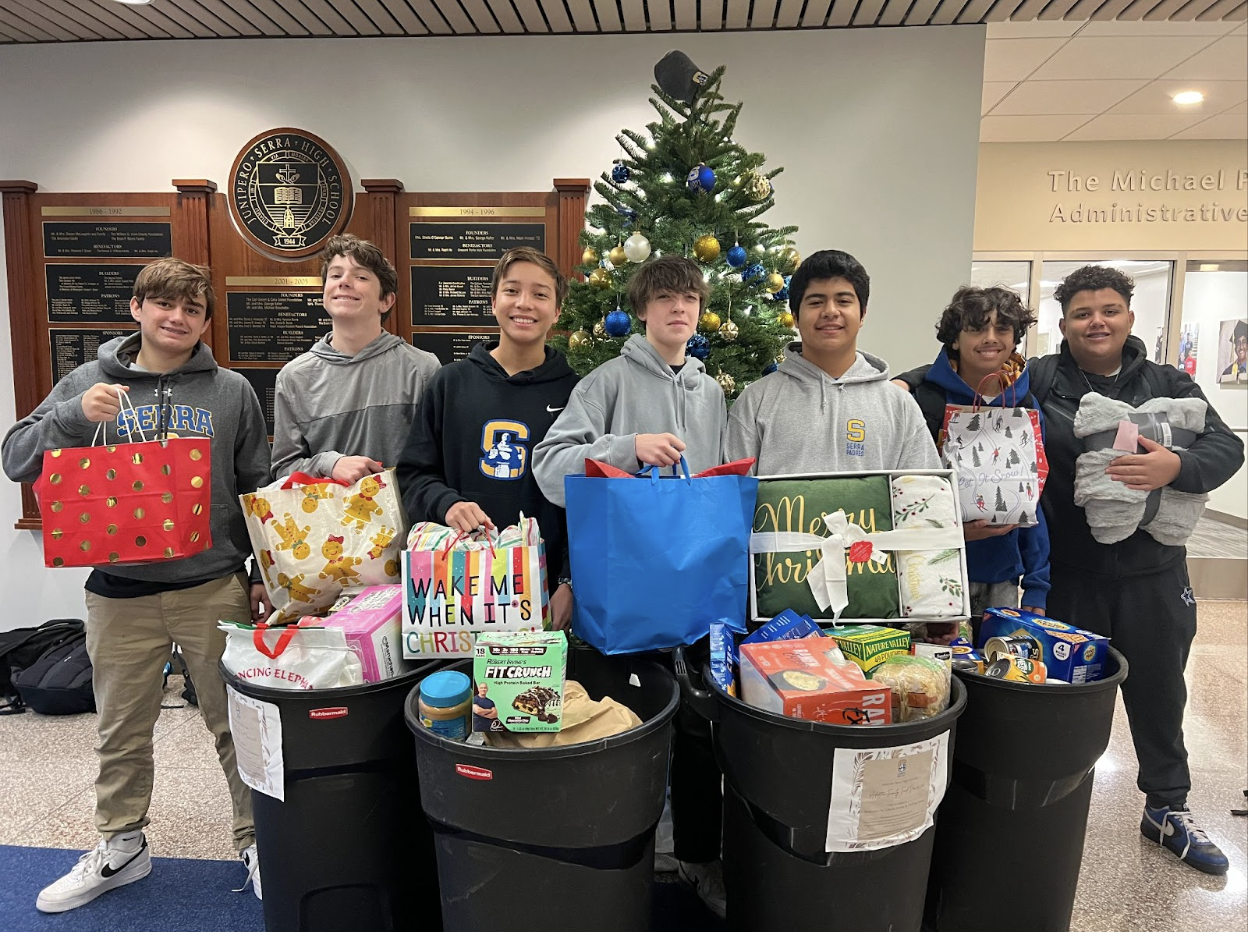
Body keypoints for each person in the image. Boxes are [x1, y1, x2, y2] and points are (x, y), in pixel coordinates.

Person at [2, 258, 272, 910]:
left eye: (191, 308)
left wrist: (266, 578)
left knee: (236, 725)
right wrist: (71, 414)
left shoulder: (232, 390)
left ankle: (257, 841)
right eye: (163, 304)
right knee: (121, 728)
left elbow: (257, 486)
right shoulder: (88, 381)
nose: (176, 318)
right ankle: (121, 846)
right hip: (117, 591)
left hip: (212, 584)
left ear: (206, 321)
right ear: (137, 309)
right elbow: (15, 459)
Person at [532, 255, 728, 917]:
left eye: (690, 299)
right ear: (643, 310)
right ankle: (620, 861)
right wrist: (628, 447)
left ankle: (699, 857)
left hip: (698, 590)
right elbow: (549, 468)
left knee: (703, 732)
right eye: (666, 298)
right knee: (623, 729)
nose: (680, 308)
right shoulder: (607, 381)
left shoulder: (711, 392)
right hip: (625, 589)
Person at [1035, 265, 1241, 874]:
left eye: (1108, 310)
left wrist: (1174, 467)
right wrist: (908, 390)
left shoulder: (1170, 381)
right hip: (1070, 574)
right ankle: (1046, 808)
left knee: (1159, 692)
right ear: (1064, 323)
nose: (1096, 322)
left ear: (1129, 315)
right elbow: (971, 384)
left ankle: (1167, 808)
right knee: (1059, 702)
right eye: (1081, 313)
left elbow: (1227, 446)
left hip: (1155, 575)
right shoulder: (1043, 379)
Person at [397, 247, 579, 631]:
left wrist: (569, 580)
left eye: (540, 294)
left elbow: (587, 499)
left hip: (542, 593)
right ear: (494, 301)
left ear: (558, 311)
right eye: (512, 291)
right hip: (455, 589)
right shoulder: (450, 383)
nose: (524, 304)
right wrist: (446, 504)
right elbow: (414, 475)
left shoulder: (577, 394)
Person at [887, 285, 1050, 621]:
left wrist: (1037, 581)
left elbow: (1035, 501)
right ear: (955, 340)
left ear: (1015, 338)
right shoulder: (920, 401)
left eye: (1002, 328)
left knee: (996, 666)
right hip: (929, 570)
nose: (990, 338)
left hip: (1002, 573)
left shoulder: (1027, 406)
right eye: (976, 328)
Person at [725, 249, 938, 473]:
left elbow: (924, 493)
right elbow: (734, 496)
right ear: (795, 317)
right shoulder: (756, 401)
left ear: (862, 314)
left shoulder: (899, 405)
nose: (830, 311)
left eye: (843, 301)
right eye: (816, 302)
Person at [272, 234, 440, 482]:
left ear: (386, 300)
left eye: (360, 276)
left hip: (406, 519)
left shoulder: (422, 369)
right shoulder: (294, 378)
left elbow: (439, 460)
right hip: (323, 519)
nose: (345, 282)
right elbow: (282, 470)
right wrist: (330, 463)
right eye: (335, 275)